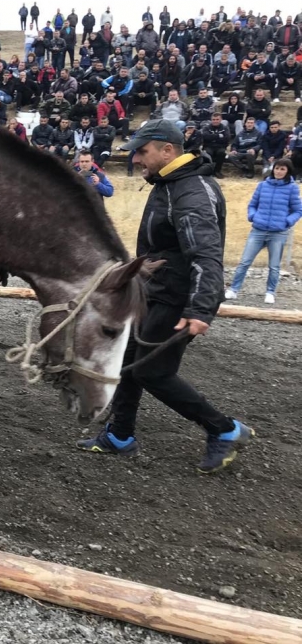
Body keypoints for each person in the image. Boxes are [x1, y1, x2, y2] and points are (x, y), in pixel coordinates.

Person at [78, 120, 254, 473]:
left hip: (179, 298)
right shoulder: (169, 184)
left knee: (153, 372)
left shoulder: (191, 191)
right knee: (128, 361)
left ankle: (225, 428)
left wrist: (201, 308)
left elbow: (205, 253)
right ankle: (120, 435)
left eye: (142, 152)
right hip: (156, 292)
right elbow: (166, 248)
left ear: (167, 149)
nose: (137, 160)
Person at [224, 159, 301, 304]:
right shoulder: (262, 185)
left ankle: (270, 292)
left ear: (288, 171)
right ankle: (233, 290)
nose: (279, 171)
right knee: (245, 262)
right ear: (273, 169)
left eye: (282, 169)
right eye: (277, 168)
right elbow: (253, 204)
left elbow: (298, 210)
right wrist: (253, 216)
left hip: (278, 233)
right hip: (258, 230)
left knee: (274, 266)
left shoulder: (292, 188)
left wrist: (287, 221)